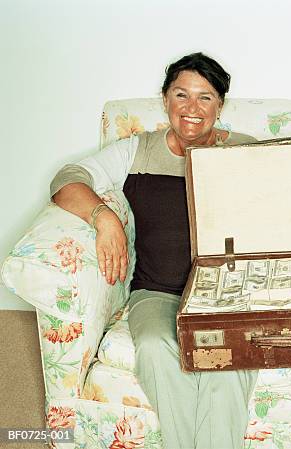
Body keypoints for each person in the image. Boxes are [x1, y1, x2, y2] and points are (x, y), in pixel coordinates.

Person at [50, 52, 258, 449]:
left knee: (226, 363)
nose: (191, 108)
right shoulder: (137, 151)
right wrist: (103, 216)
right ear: (165, 99)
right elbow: (68, 178)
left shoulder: (246, 150)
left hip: (228, 297)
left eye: (205, 97)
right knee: (154, 347)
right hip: (157, 292)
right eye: (181, 94)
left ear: (220, 105)